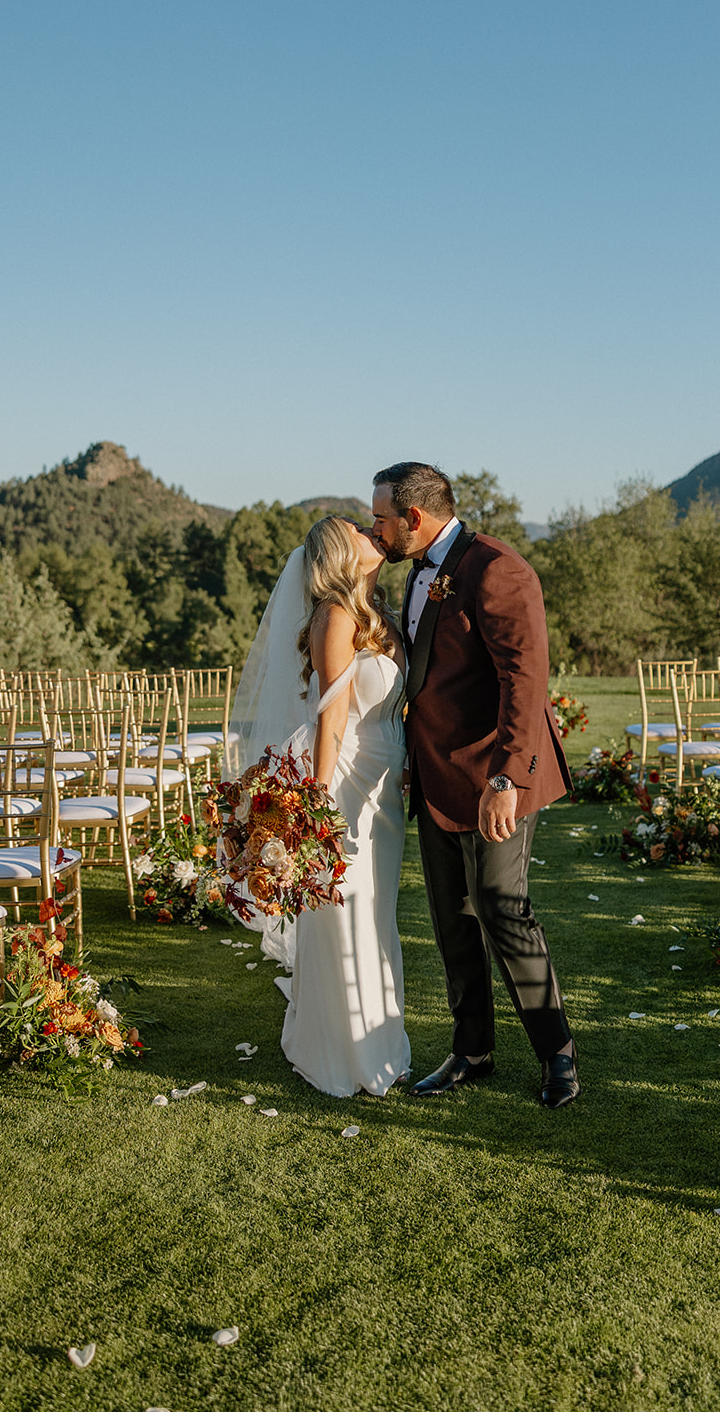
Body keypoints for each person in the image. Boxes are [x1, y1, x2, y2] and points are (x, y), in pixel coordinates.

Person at [370, 462, 579, 1109]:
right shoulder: (414, 575)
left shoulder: (496, 567)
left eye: (380, 517)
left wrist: (506, 778)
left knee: (499, 907)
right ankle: (472, 1050)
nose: (374, 529)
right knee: (450, 919)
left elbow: (525, 680)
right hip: (434, 775)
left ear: (414, 517)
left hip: (494, 775)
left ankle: (557, 1056)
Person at [228, 516, 410, 1097]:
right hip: (347, 781)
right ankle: (337, 1052)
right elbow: (330, 718)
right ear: (339, 550)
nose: (372, 533)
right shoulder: (334, 615)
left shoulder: (372, 614)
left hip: (383, 783)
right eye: (360, 529)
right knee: (343, 905)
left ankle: (380, 1038)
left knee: (375, 911)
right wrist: (316, 805)